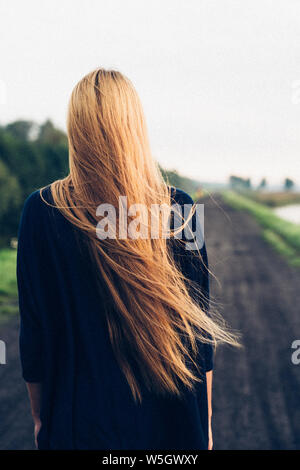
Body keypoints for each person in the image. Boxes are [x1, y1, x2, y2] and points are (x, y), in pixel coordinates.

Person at [17, 68, 238, 450]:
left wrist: (40, 420)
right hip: (173, 431)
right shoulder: (179, 210)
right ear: (135, 128)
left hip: (78, 430)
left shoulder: (42, 212)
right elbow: (199, 340)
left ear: (77, 131)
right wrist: (205, 426)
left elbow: (34, 337)